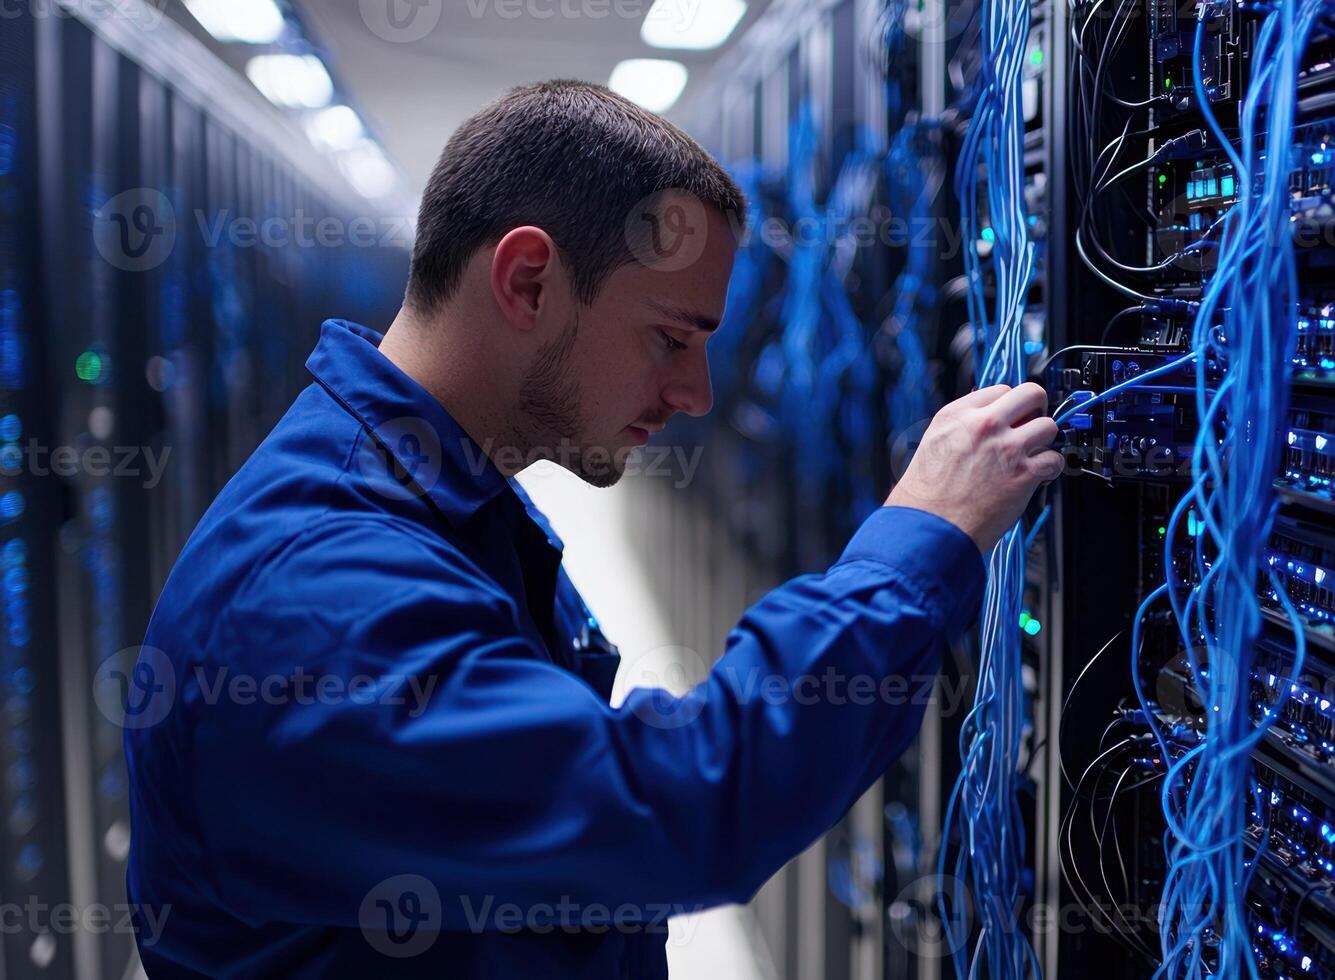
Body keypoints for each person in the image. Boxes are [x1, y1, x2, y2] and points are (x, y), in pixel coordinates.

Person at [124, 80, 1063, 977]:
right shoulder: (314, 596)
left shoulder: (439, 493)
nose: (695, 394)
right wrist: (923, 533)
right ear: (529, 280)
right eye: (670, 336)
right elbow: (676, 806)